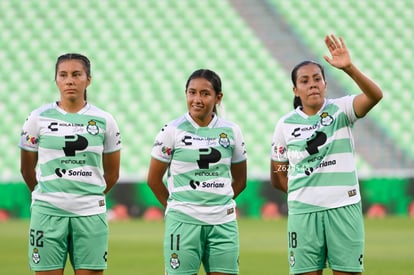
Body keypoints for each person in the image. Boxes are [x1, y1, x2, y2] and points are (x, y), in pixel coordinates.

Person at [270, 34, 383, 275]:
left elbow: (375, 96)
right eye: (304, 80)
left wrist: (350, 68)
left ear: (325, 84)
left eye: (317, 79)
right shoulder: (285, 125)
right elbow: (278, 172)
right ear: (295, 89)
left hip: (344, 207)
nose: (312, 84)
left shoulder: (342, 109)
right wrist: (303, 191)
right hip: (303, 213)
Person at [19, 53, 122, 275]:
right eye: (63, 75)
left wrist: (89, 197)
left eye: (77, 74)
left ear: (88, 79)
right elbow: (27, 169)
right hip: (47, 214)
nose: (70, 81)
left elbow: (112, 174)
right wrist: (46, 195)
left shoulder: (105, 120)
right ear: (56, 79)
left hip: (90, 215)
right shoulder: (37, 118)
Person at [147, 69, 247, 275]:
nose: (197, 99)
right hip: (183, 222)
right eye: (192, 93)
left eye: (205, 93)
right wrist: (177, 208)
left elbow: (241, 179)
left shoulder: (231, 131)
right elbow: (153, 180)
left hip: (223, 223)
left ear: (218, 97)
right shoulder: (171, 130)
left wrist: (216, 202)